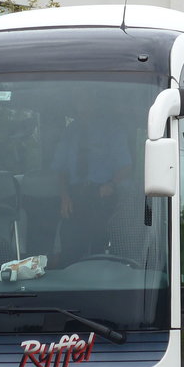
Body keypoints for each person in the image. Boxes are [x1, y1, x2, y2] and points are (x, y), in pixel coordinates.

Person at [51, 104, 133, 265]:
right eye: (77, 98)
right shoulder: (70, 131)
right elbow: (60, 169)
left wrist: (111, 184)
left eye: (85, 98)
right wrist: (64, 196)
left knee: (99, 247)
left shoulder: (113, 130)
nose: (82, 104)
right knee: (69, 247)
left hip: (104, 197)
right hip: (74, 197)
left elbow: (126, 167)